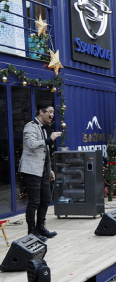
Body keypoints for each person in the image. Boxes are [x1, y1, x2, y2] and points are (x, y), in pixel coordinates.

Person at [19, 101, 61, 241]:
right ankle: (32, 232)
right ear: (41, 112)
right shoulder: (30, 127)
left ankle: (41, 228)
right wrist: (50, 139)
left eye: (53, 112)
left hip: (43, 170)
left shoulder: (43, 128)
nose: (52, 115)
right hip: (31, 170)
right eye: (49, 111)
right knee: (34, 202)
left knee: (46, 199)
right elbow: (31, 145)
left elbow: (45, 153)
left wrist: (50, 170)